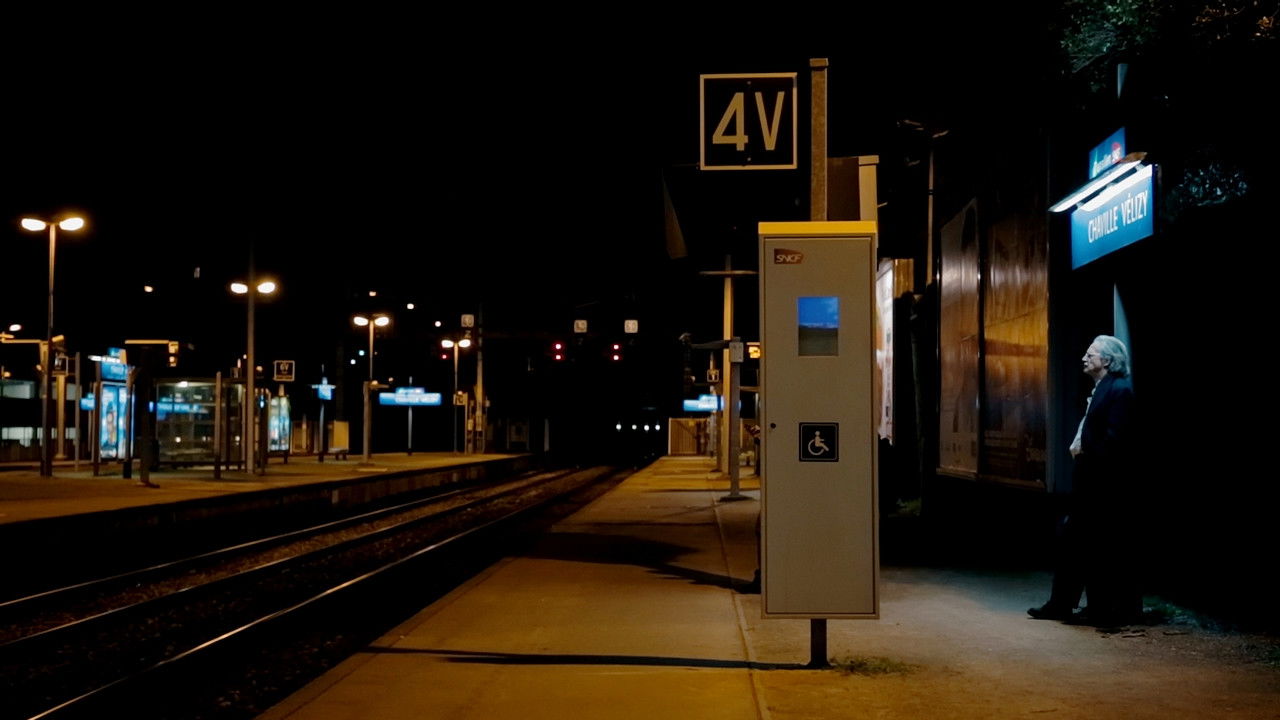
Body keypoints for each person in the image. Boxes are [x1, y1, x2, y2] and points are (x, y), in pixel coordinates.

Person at [1029, 334, 1141, 626]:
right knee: (1076, 543)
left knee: (1090, 545)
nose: (1084, 358)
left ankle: (1095, 609)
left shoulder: (1119, 390)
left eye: (1091, 354)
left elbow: (1116, 440)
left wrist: (1089, 456)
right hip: (1090, 481)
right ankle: (1069, 605)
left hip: (1101, 484)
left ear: (1108, 361)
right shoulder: (1103, 388)